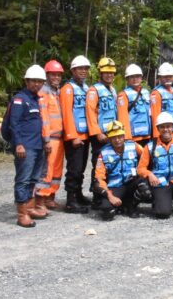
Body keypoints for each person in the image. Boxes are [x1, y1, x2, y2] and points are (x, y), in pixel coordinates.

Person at [10, 65, 51, 227]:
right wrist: (18, 144)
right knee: (23, 180)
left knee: (34, 179)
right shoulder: (20, 99)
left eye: (40, 81)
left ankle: (29, 208)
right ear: (26, 81)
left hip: (38, 146)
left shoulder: (36, 99)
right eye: (34, 81)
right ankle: (22, 215)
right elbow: (14, 124)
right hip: (25, 148)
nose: (37, 84)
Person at [93, 121, 147, 220]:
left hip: (131, 183)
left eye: (119, 136)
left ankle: (131, 206)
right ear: (109, 138)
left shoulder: (133, 146)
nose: (117, 140)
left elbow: (148, 157)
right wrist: (110, 196)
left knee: (145, 188)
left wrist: (147, 173)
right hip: (115, 186)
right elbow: (99, 178)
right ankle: (120, 205)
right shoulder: (103, 153)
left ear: (123, 135)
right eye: (113, 137)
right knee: (107, 212)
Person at [60, 55, 92, 214]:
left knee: (81, 168)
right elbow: (66, 114)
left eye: (86, 68)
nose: (83, 71)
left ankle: (78, 194)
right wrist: (72, 136)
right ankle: (71, 201)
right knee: (74, 168)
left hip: (85, 135)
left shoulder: (86, 88)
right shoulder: (68, 89)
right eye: (80, 68)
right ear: (73, 70)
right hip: (75, 137)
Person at [86, 57, 118, 208]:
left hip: (112, 135)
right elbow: (90, 113)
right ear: (100, 72)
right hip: (100, 135)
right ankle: (97, 197)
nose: (109, 75)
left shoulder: (113, 90)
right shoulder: (94, 90)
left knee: (111, 163)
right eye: (106, 72)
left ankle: (108, 193)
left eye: (111, 73)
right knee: (98, 165)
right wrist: (97, 132)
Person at [35, 59, 64, 209]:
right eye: (53, 75)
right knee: (46, 170)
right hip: (50, 138)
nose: (56, 78)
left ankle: (51, 196)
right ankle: (40, 199)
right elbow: (44, 119)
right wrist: (46, 139)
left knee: (57, 170)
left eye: (58, 75)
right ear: (47, 75)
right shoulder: (43, 92)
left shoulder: (58, 92)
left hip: (60, 139)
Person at [117, 64, 152, 147]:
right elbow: (123, 118)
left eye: (137, 76)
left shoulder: (146, 92)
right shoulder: (123, 95)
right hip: (133, 138)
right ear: (127, 79)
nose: (135, 79)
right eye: (132, 77)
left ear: (141, 78)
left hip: (147, 135)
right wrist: (127, 138)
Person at [150, 62, 173, 138]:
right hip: (163, 132)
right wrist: (156, 136)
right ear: (160, 78)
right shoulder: (156, 93)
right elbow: (155, 115)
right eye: (165, 76)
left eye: (170, 76)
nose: (168, 78)